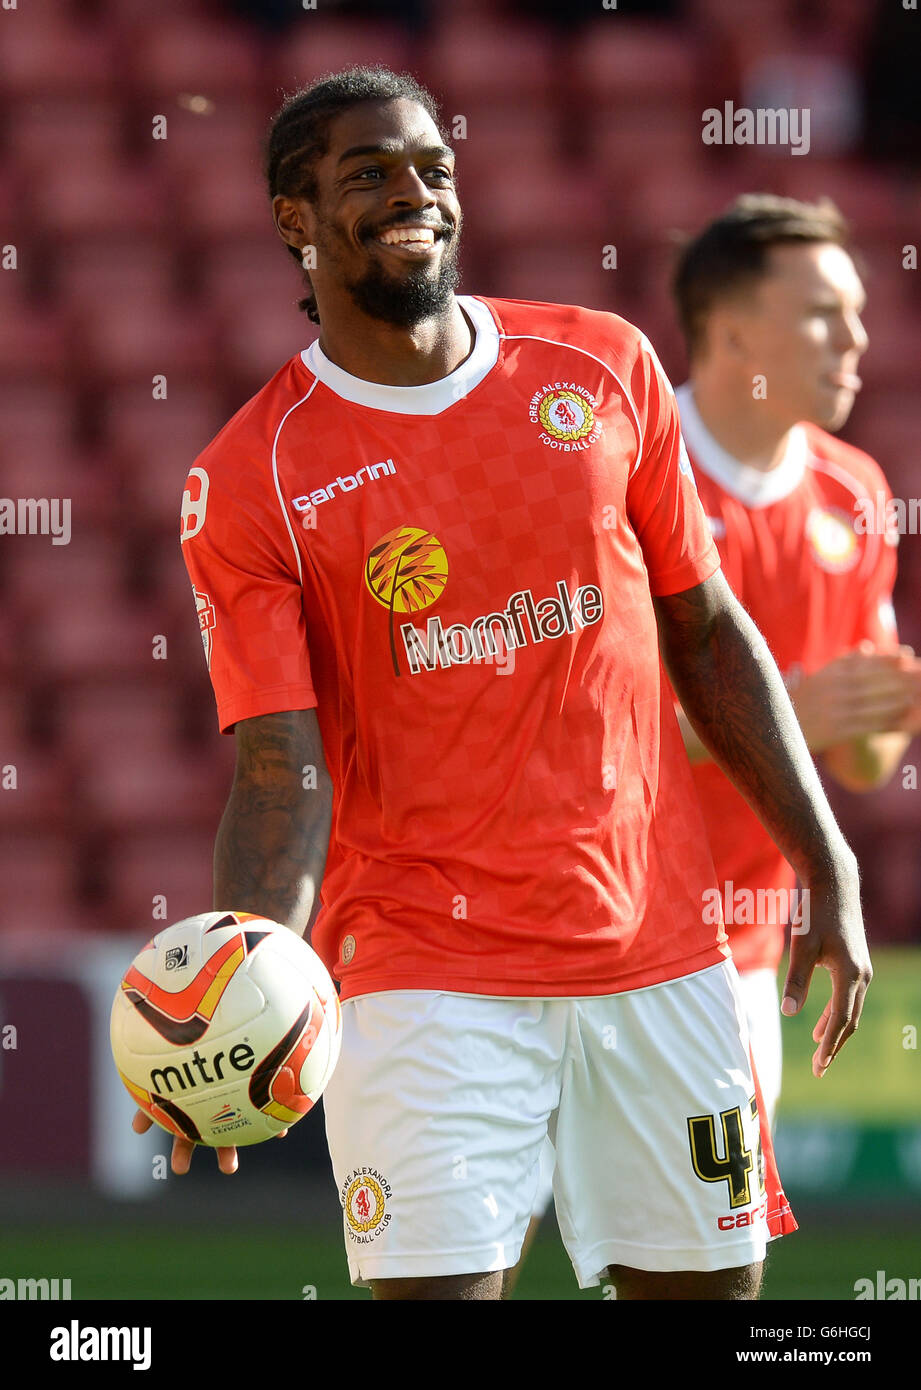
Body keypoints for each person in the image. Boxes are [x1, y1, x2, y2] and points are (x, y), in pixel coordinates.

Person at [135, 68, 871, 1302]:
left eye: (432, 166)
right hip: (424, 974)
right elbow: (279, 767)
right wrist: (243, 992)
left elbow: (709, 630)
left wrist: (825, 854)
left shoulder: (600, 364)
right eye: (366, 172)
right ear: (292, 219)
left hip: (660, 950)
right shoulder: (251, 476)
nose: (413, 192)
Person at [671, 195, 921, 1124]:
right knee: (483, 1250)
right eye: (824, 313)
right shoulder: (624, 469)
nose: (855, 337)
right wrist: (790, 719)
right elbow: (571, 727)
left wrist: (885, 709)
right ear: (731, 334)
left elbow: (862, 761)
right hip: (571, 928)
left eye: (855, 312)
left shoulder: (854, 493)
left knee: (712, 1256)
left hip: (736, 949)